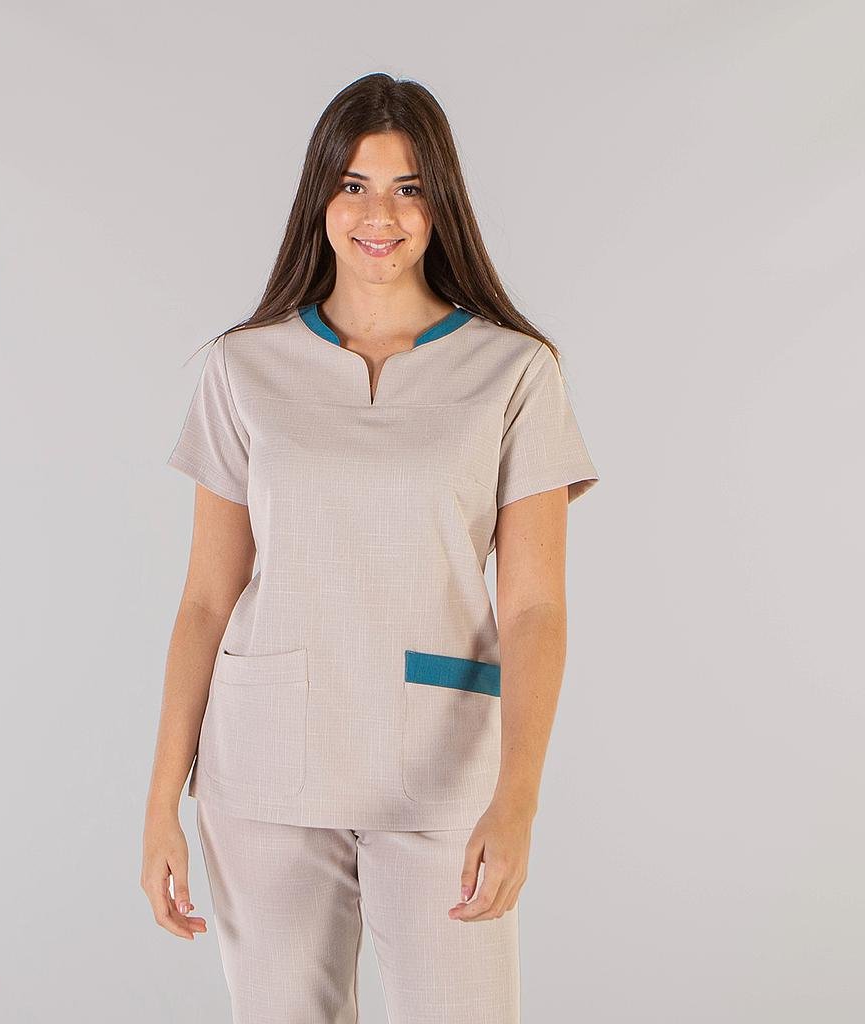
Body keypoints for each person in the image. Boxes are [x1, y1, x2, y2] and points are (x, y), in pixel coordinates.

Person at [141, 71, 600, 1023]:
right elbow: (205, 599)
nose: (378, 214)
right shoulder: (245, 366)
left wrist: (517, 799)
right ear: (320, 199)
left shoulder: (513, 371)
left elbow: (534, 607)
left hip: (444, 773)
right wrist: (160, 805)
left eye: (407, 187)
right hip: (265, 769)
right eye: (353, 185)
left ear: (442, 204)